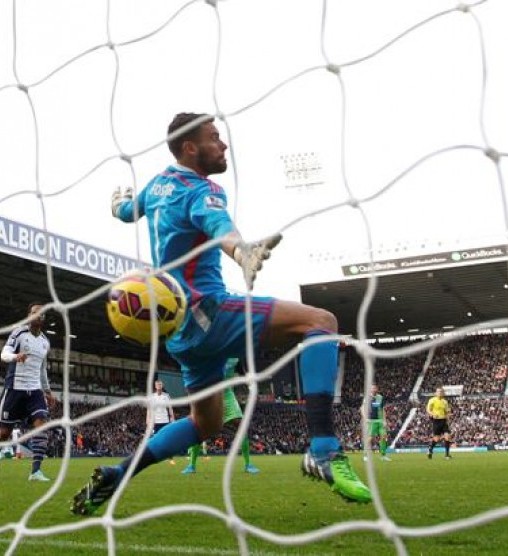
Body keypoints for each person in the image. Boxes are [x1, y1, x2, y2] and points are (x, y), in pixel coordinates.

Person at [71, 112, 370, 516]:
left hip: (178, 331)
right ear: (190, 147)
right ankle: (323, 450)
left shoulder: (158, 185)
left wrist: (118, 205)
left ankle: (117, 473)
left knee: (205, 424)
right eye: (215, 138)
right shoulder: (202, 190)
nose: (223, 145)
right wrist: (241, 251)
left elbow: (128, 211)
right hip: (207, 310)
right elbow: (219, 224)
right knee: (321, 322)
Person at [0, 302, 56, 482]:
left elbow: (42, 369)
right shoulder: (18, 333)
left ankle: (35, 472)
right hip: (15, 388)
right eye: (32, 313)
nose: (35, 316)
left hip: (35, 390)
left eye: (38, 314)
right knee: (4, 434)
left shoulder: (45, 342)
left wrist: (47, 391)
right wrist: (15, 357)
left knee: (41, 424)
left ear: (43, 318)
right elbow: (4, 353)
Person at [181, 358, 259, 474]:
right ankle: (191, 465)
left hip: (227, 395)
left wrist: (251, 385)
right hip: (210, 395)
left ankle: (248, 465)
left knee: (241, 427)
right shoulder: (212, 352)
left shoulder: (235, 357)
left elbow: (245, 373)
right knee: (198, 429)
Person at [150, 380, 177, 465]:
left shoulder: (166, 396)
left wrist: (172, 418)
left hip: (165, 420)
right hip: (156, 421)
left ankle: (170, 458)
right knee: (156, 440)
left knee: (168, 439)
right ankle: (157, 457)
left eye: (160, 384)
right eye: (157, 384)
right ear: (155, 386)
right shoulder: (152, 397)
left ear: (162, 386)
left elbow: (170, 408)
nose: (159, 386)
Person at [362, 384, 391, 462]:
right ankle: (365, 455)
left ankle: (383, 455)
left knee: (384, 437)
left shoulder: (380, 397)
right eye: (372, 388)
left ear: (377, 389)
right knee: (370, 438)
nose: (374, 389)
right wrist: (365, 419)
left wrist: (385, 420)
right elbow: (362, 409)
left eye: (375, 388)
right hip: (371, 421)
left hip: (380, 421)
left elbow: (383, 409)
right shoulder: (367, 398)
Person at [426, 387, 451, 460]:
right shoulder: (432, 400)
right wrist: (432, 414)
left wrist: (448, 415)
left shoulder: (445, 401)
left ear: (443, 393)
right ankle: (430, 449)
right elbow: (428, 409)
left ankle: (447, 454)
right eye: (438, 392)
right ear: (436, 393)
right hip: (436, 421)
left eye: (441, 392)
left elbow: (447, 411)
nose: (440, 393)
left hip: (443, 420)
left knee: (447, 436)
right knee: (436, 439)